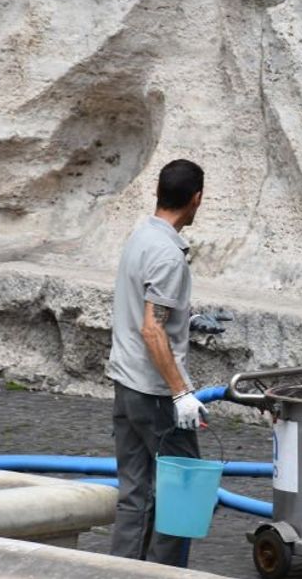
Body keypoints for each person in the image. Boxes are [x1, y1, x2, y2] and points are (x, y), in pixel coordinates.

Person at [107, 158, 209, 567]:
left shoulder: (140, 238)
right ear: (196, 199)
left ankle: (118, 571)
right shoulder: (168, 255)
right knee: (184, 491)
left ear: (158, 193)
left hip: (125, 385)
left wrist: (188, 318)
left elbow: (145, 311)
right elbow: (153, 329)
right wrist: (181, 393)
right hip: (154, 395)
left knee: (135, 495)